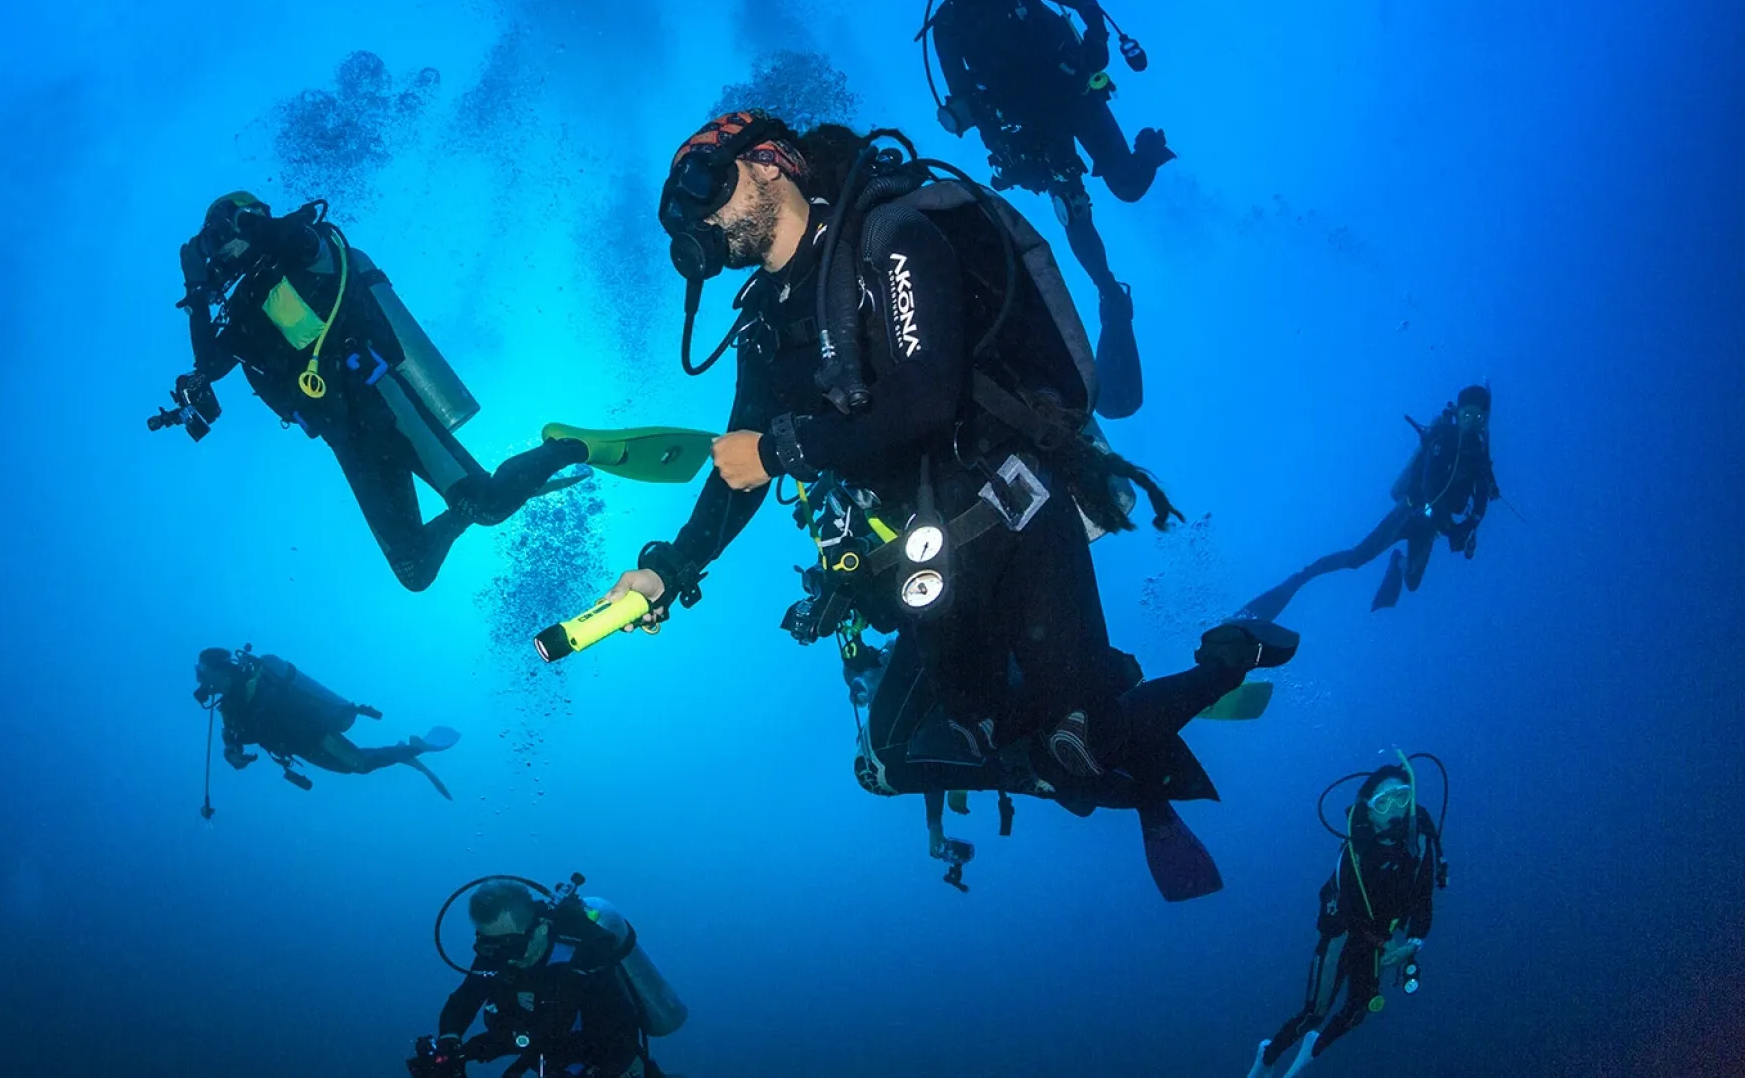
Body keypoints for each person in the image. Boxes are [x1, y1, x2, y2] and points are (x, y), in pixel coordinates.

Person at [603, 109, 1277, 894]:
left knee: (1082, 743)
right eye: (688, 216)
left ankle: (1230, 657)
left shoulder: (890, 239)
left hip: (1013, 512)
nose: (704, 220)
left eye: (709, 187)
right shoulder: (760, 326)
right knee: (1001, 745)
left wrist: (783, 450)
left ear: (770, 164)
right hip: (927, 563)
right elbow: (735, 465)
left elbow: (924, 399)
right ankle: (1105, 708)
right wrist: (669, 568)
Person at [157, 193, 589, 591]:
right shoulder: (241, 310)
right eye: (211, 247)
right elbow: (210, 365)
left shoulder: (304, 246)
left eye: (219, 238)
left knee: (489, 508)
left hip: (381, 399)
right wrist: (196, 292)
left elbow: (296, 242)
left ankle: (567, 448)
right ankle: (465, 508)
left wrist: (249, 225)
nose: (218, 252)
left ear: (246, 222)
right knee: (414, 571)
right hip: (343, 438)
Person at [917, 0, 1176, 418]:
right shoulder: (946, 29)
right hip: (1034, 130)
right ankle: (1109, 293)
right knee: (1071, 209)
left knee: (1126, 186)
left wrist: (1098, 42)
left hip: (1076, 91)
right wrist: (1001, 149)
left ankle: (1148, 149)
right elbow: (965, 97)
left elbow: (1083, 0)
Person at [849, 620, 1297, 899]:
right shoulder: (913, 716)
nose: (867, 694)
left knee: (1100, 746)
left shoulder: (923, 675)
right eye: (862, 691)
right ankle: (1155, 793)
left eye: (864, 684)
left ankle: (1228, 663)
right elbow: (935, 768)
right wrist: (935, 829)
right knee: (1111, 763)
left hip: (1052, 738)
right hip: (1048, 761)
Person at [1249, 757, 1448, 1077]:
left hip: (1381, 939)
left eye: (1402, 796)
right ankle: (1267, 1059)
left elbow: (1425, 897)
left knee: (1357, 1013)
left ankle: (1305, 1059)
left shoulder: (1421, 842)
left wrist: (1414, 942)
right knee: (1314, 1013)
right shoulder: (1355, 853)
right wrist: (1388, 943)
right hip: (1342, 933)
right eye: (1383, 802)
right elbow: (1351, 910)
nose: (1394, 808)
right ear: (1368, 810)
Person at [1238, 385, 1502, 618]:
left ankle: (1398, 563)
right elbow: (1430, 486)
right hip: (1409, 513)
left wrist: (1468, 525)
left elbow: (1481, 498)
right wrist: (1451, 528)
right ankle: (1302, 577)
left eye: (1478, 417)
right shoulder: (1443, 438)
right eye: (1467, 415)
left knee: (1412, 582)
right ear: (1457, 413)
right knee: (1357, 558)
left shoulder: (1478, 454)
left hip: (1431, 527)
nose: (1471, 422)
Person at [413, 877, 686, 1078]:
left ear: (540, 929)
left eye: (509, 946)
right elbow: (466, 997)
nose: (502, 957)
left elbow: (558, 1029)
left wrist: (478, 1050)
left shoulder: (584, 956)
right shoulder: (501, 950)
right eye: (487, 946)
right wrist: (450, 1044)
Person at [192, 646, 459, 804]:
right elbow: (232, 737)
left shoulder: (256, 680)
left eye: (203, 674)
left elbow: (273, 709)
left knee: (360, 765)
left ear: (219, 670)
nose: (202, 682)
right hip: (298, 748)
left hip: (313, 733)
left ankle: (411, 750)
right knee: (351, 768)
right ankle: (403, 752)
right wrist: (233, 753)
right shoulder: (229, 707)